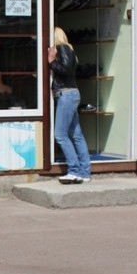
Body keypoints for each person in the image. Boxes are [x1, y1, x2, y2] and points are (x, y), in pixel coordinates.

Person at [47, 27, 91, 184]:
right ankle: (85, 172)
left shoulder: (62, 48)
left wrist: (51, 61)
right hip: (70, 94)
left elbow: (64, 70)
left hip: (65, 94)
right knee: (76, 134)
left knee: (60, 134)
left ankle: (74, 170)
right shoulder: (69, 49)